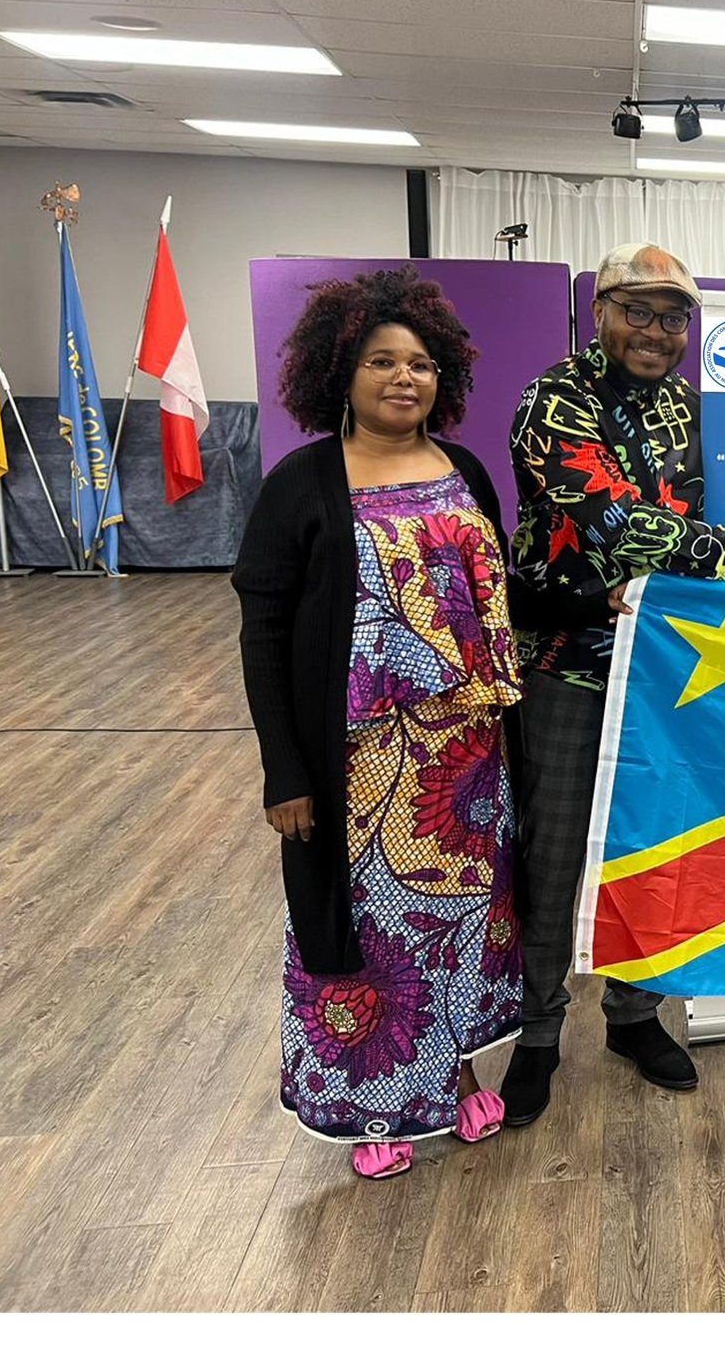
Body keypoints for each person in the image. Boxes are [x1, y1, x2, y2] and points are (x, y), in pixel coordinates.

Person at [501, 242, 725, 1122]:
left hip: (663, 662)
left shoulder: (690, 403)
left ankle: (634, 1013)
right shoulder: (553, 399)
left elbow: (711, 513)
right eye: (636, 310)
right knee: (556, 849)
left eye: (673, 316)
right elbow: (612, 526)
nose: (655, 330)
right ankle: (536, 1031)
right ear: (597, 312)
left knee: (648, 839)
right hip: (568, 657)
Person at [233, 267, 523, 1180]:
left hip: (465, 759)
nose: (406, 378)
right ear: (339, 372)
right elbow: (264, 625)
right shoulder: (302, 482)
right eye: (382, 361)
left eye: (423, 364)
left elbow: (493, 598)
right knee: (370, 932)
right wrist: (285, 770)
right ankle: (371, 1108)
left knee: (461, 925)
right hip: (357, 760)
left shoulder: (463, 469)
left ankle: (455, 1071)